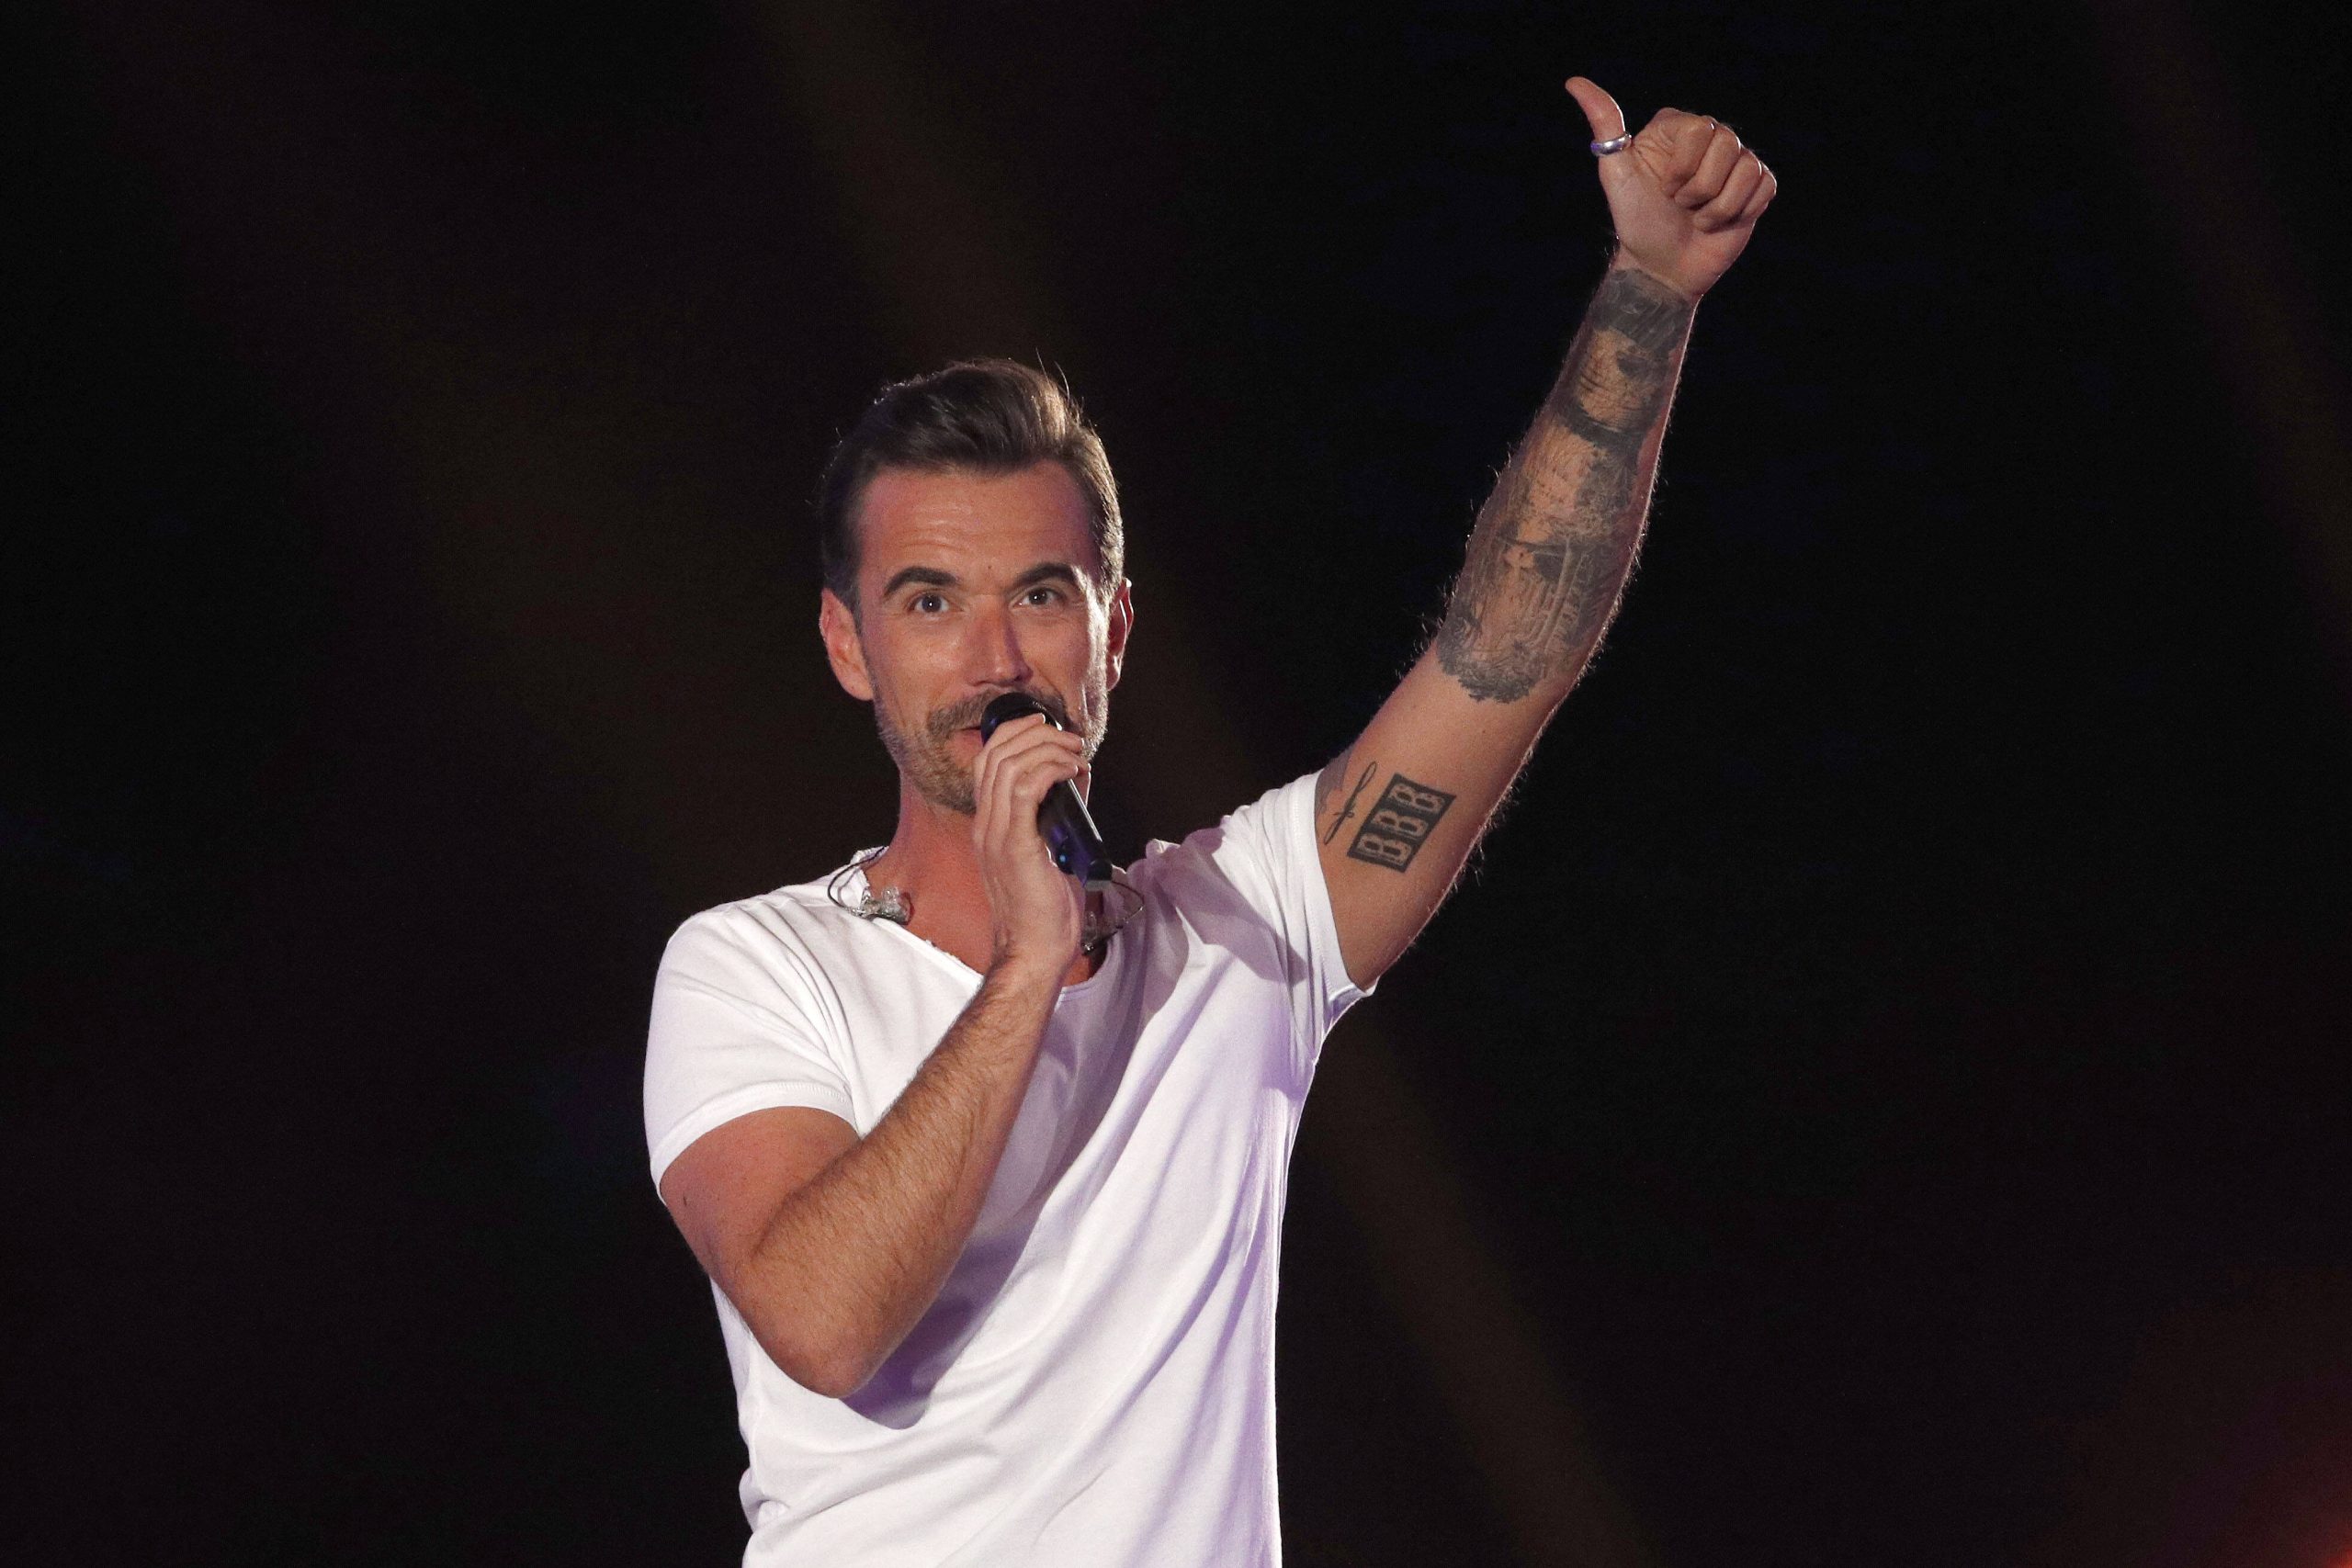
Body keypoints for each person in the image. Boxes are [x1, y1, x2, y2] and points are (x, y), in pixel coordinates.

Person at [643, 75, 1774, 1567]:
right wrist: (1027, 967)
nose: (994, 658)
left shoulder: (1246, 927)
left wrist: (1651, 292)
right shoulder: (752, 967)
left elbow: (1508, 650)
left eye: (1040, 595)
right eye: (929, 603)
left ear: (1112, 633)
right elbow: (826, 1321)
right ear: (850, 647)